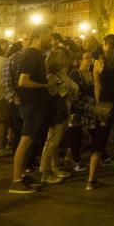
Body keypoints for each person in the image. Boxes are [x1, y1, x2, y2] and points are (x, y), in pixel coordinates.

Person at [10, 25, 54, 194]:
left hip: (34, 104)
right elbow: (23, 81)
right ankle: (16, 180)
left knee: (29, 141)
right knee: (25, 141)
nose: (50, 39)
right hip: (32, 104)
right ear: (40, 35)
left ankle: (22, 175)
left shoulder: (34, 54)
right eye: (48, 36)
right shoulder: (32, 55)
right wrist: (45, 85)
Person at [86, 34, 114, 190]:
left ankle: (91, 180)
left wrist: (98, 104)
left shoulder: (98, 63)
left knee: (99, 141)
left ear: (105, 44)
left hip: (105, 103)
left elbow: (97, 86)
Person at [38, 47, 74, 185]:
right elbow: (57, 93)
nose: (68, 60)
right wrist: (68, 90)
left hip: (62, 111)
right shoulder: (52, 76)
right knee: (53, 141)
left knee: (54, 141)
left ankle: (54, 168)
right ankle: (45, 171)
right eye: (65, 57)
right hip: (57, 113)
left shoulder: (60, 74)